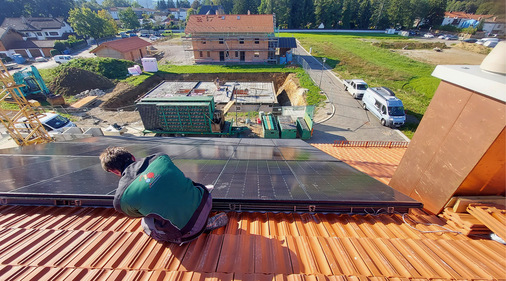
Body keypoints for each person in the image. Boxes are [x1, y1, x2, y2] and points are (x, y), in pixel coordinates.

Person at [99, 147, 228, 244]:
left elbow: (139, 213)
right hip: (205, 201)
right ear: (132, 157)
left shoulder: (121, 199)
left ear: (113, 171)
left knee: (146, 222)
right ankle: (202, 216)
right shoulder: (160, 157)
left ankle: (200, 227)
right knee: (181, 185)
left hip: (188, 232)